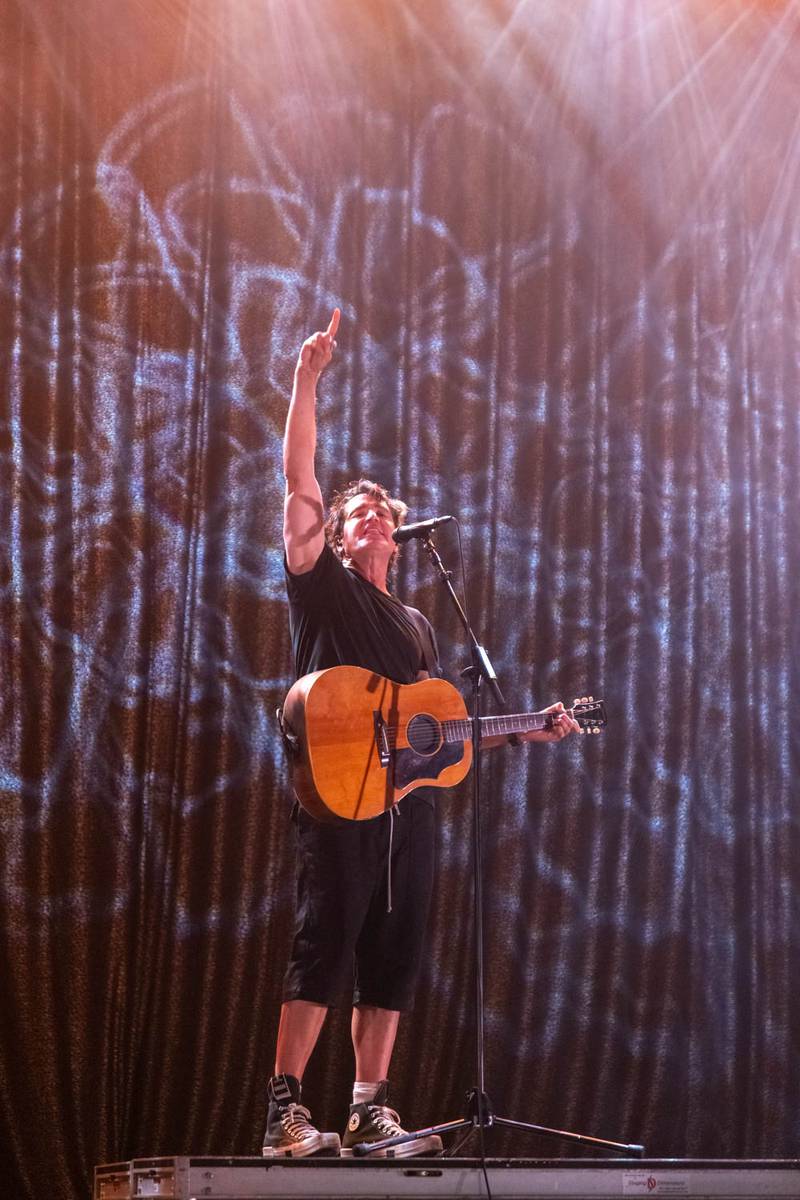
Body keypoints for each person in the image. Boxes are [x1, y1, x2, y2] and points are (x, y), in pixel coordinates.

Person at [262, 308, 580, 1159]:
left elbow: (442, 736)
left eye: (377, 515)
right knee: (324, 940)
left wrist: (523, 732)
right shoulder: (323, 586)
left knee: (393, 954)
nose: (367, 519)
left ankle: (370, 1107)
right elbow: (299, 483)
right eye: (355, 512)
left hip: (403, 805)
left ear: (396, 539)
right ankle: (285, 1109)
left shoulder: (417, 627)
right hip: (337, 789)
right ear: (337, 531)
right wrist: (306, 381)